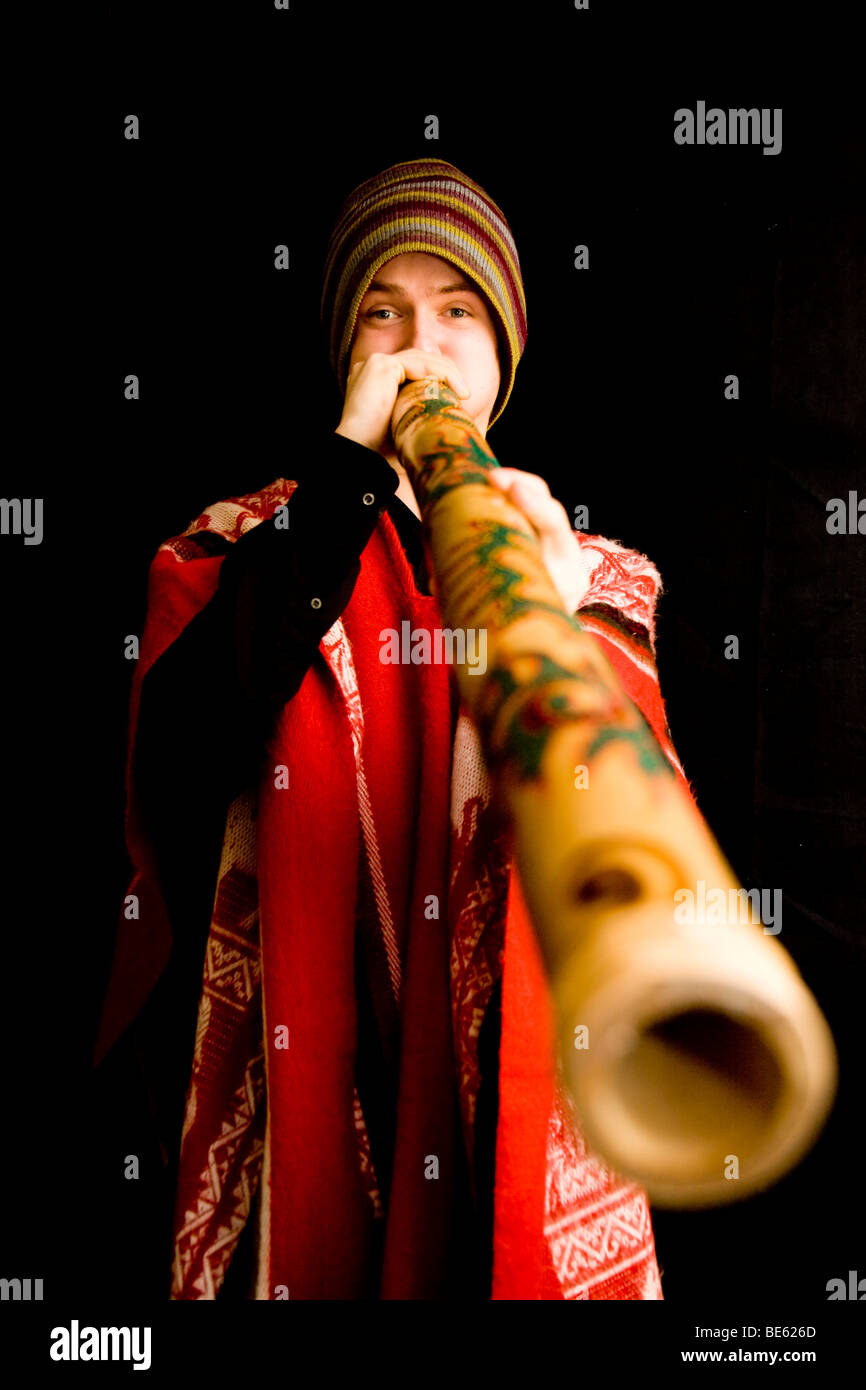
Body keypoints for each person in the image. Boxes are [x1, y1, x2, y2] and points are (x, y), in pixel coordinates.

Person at [93, 157, 689, 1300]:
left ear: (504, 355)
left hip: (487, 1115)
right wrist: (337, 487)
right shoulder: (238, 543)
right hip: (304, 1105)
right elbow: (174, 767)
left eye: (458, 312)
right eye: (385, 313)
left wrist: (550, 622)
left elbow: (642, 868)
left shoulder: (595, 571)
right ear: (346, 354)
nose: (423, 346)